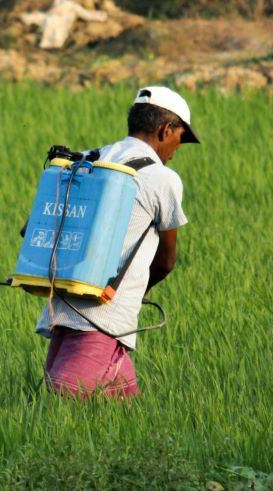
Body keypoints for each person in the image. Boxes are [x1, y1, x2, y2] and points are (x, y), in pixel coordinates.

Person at [35, 86, 198, 399]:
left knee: (118, 412)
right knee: (62, 402)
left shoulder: (89, 159)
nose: (176, 150)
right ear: (166, 129)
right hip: (105, 316)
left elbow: (38, 226)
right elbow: (166, 261)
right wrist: (139, 293)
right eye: (180, 139)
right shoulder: (162, 178)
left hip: (64, 302)